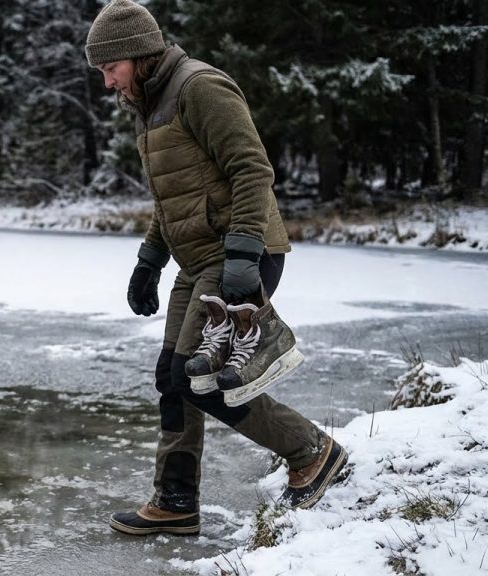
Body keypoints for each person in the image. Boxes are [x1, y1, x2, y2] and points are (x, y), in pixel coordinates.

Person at [85, 0, 348, 536]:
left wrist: (245, 256)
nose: (108, 83)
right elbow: (174, 197)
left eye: (110, 69)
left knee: (199, 381)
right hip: (197, 258)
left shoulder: (199, 87)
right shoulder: (150, 103)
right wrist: (149, 260)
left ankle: (312, 450)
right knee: (172, 377)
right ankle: (176, 501)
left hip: (236, 254)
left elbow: (253, 169)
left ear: (135, 55)